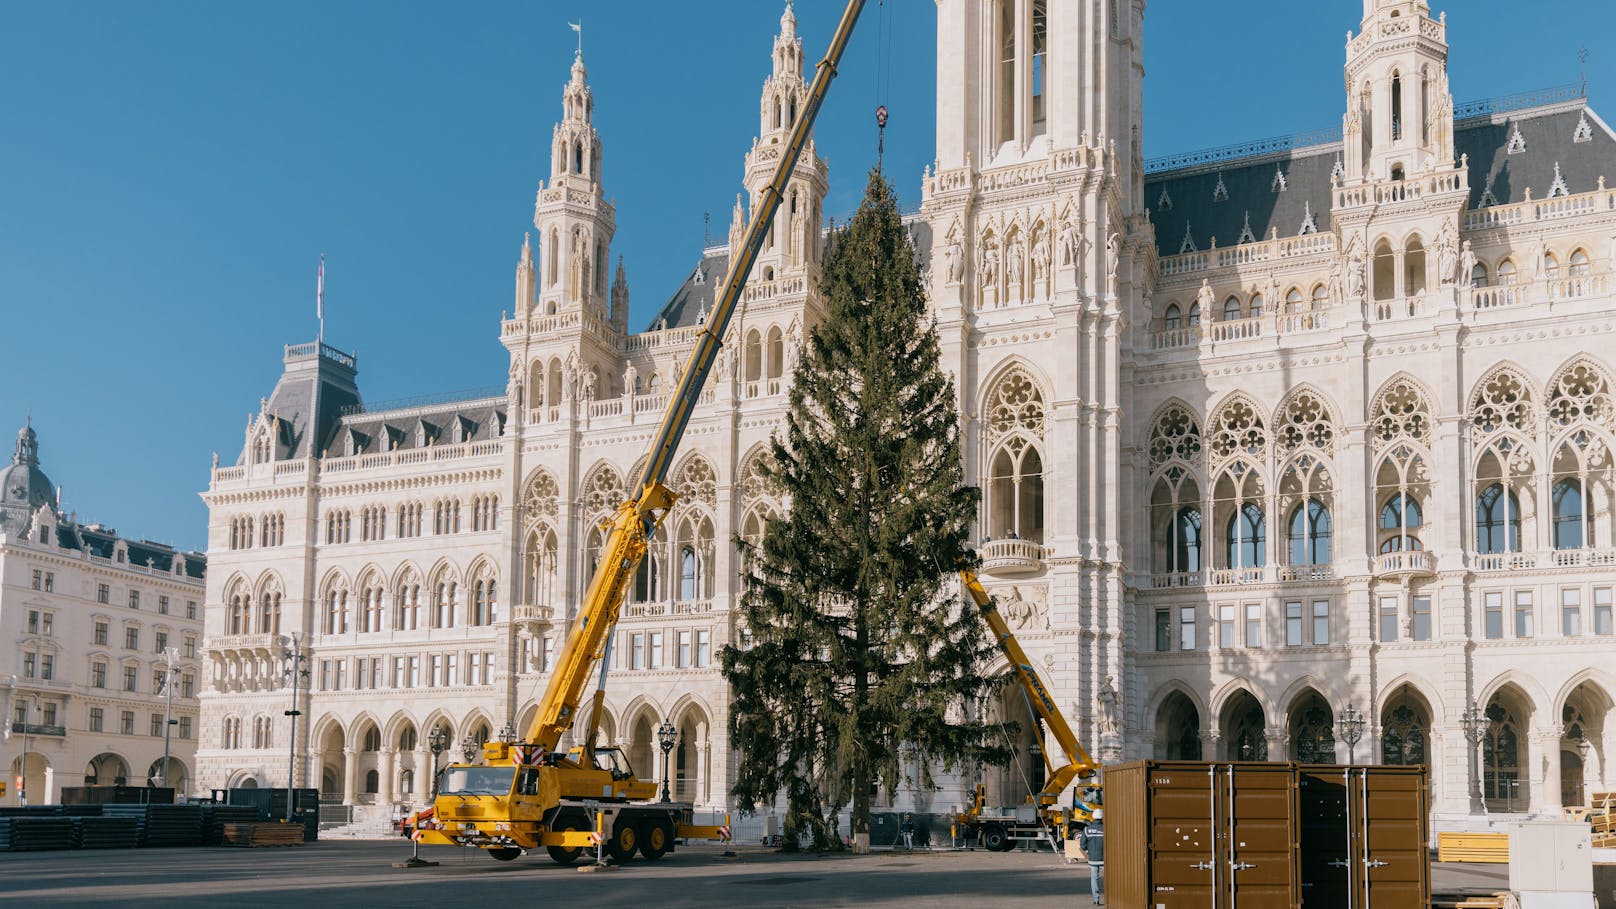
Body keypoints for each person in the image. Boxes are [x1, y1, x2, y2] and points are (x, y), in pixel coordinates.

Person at [1081, 810, 1106, 906]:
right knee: (1107, 879)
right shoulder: (1106, 829)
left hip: (1093, 859)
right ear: (1102, 817)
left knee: (1094, 879)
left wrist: (1089, 852)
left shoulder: (1087, 829)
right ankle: (1109, 897)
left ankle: (1096, 899)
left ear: (1093, 817)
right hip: (1105, 859)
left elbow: (1082, 845)